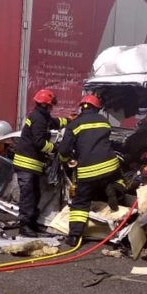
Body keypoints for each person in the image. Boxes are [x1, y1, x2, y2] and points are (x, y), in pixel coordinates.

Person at [57, 94, 126, 247]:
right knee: (119, 179)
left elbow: (63, 150)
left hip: (88, 171)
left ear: (82, 107)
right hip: (110, 165)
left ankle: (74, 236)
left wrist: (65, 161)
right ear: (97, 108)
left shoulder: (74, 124)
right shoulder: (104, 121)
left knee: (80, 202)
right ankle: (112, 189)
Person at [14, 88, 68, 237]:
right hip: (27, 164)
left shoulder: (41, 116)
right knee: (28, 197)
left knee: (35, 196)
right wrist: (55, 148)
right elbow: (39, 143)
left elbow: (55, 122)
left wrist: (69, 121)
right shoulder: (38, 118)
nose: (52, 108)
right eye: (51, 105)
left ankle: (31, 223)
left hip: (31, 165)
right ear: (45, 105)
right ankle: (24, 227)